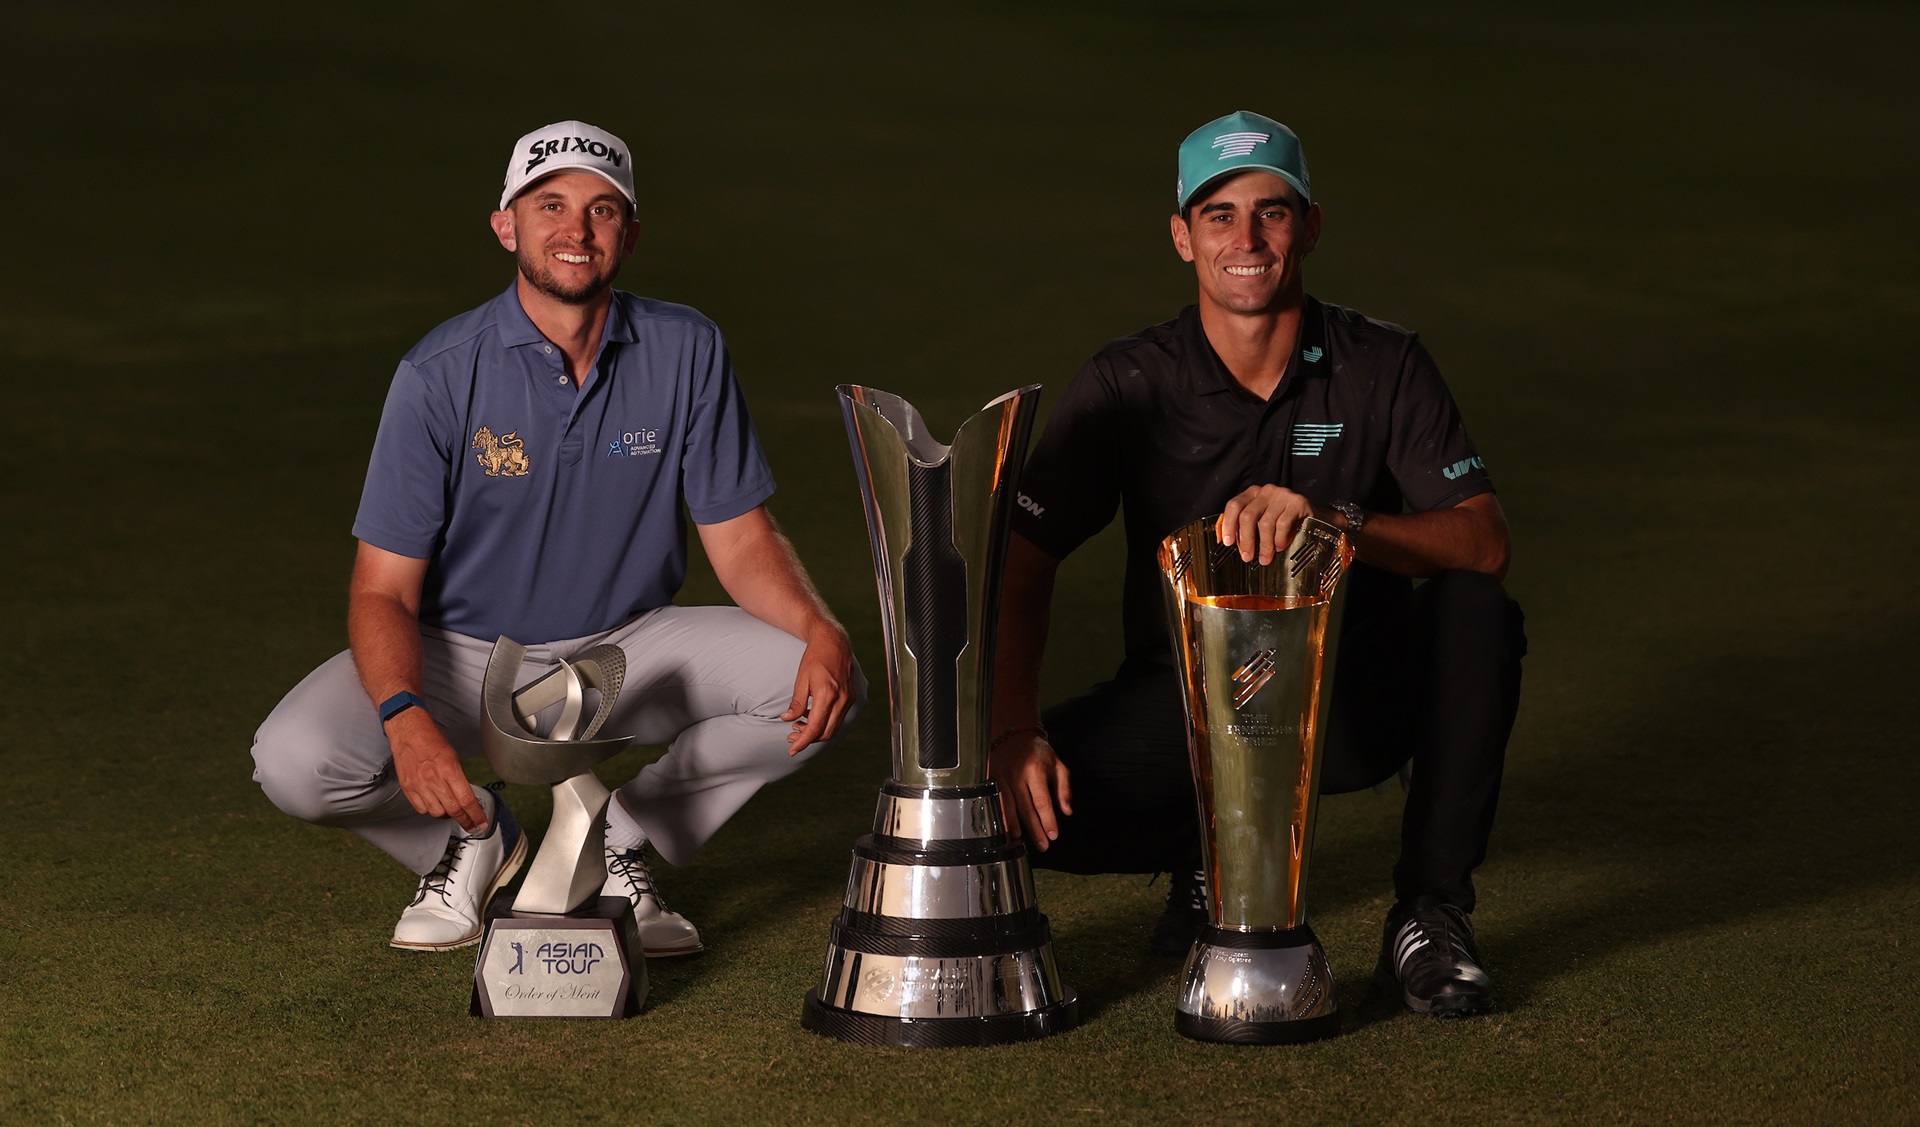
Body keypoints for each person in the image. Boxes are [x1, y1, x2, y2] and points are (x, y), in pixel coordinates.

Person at [252, 120, 864, 957]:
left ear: (630, 235)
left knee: (830, 683)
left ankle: (621, 835)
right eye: (551, 206)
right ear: (507, 225)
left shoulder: (687, 347)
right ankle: (471, 841)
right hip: (464, 656)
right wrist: (402, 715)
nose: (576, 231)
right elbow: (380, 591)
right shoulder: (437, 373)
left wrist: (819, 629)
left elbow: (741, 537)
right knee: (294, 759)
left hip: (629, 646)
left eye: (602, 210)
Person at [987, 111, 1526, 1017]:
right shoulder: (1130, 381)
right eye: (1219, 215)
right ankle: (1209, 861)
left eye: (1272, 213)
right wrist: (1010, 730)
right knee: (1008, 813)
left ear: (1310, 226)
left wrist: (1335, 522)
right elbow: (1023, 561)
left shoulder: (1382, 364)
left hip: (1342, 700)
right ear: (1182, 237)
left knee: (1476, 609)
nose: (1246, 239)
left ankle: (1430, 916)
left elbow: (1484, 540)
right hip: (1193, 708)